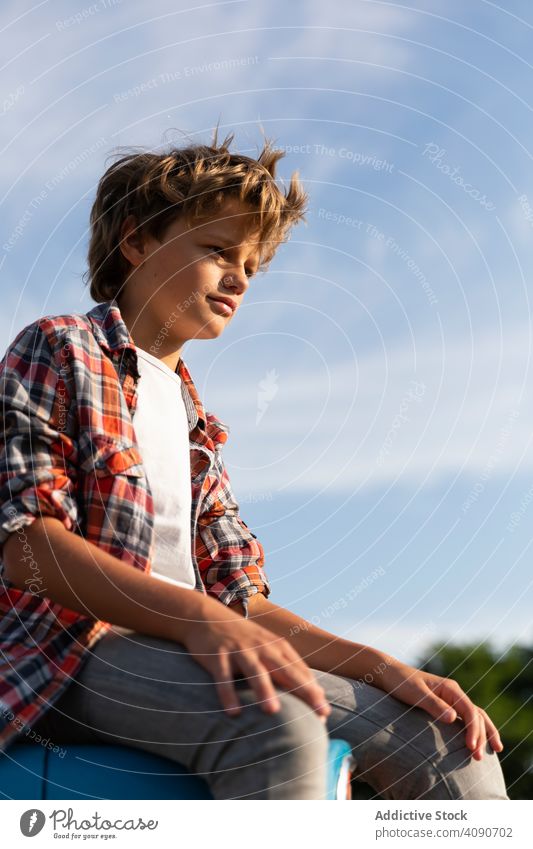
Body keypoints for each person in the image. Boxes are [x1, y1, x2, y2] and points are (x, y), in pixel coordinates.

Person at [0, 129, 508, 800]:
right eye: (217, 250)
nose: (240, 275)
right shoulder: (59, 348)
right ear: (137, 240)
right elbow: (29, 548)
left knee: (444, 743)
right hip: (67, 657)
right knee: (278, 724)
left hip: (191, 649)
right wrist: (198, 619)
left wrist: (378, 665)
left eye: (251, 262)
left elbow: (240, 601)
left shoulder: (196, 425)